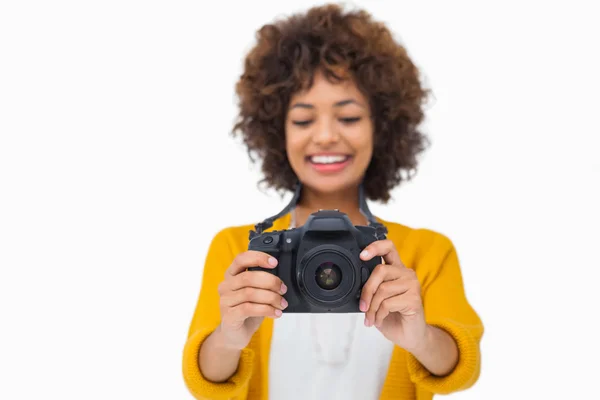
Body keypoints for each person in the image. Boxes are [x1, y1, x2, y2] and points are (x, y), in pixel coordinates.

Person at [182, 4, 483, 400]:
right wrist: (230, 336)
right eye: (304, 120)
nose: (325, 136)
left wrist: (420, 336)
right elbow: (204, 379)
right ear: (276, 132)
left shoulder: (425, 253)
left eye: (349, 118)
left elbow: (461, 371)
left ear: (384, 127)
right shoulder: (242, 250)